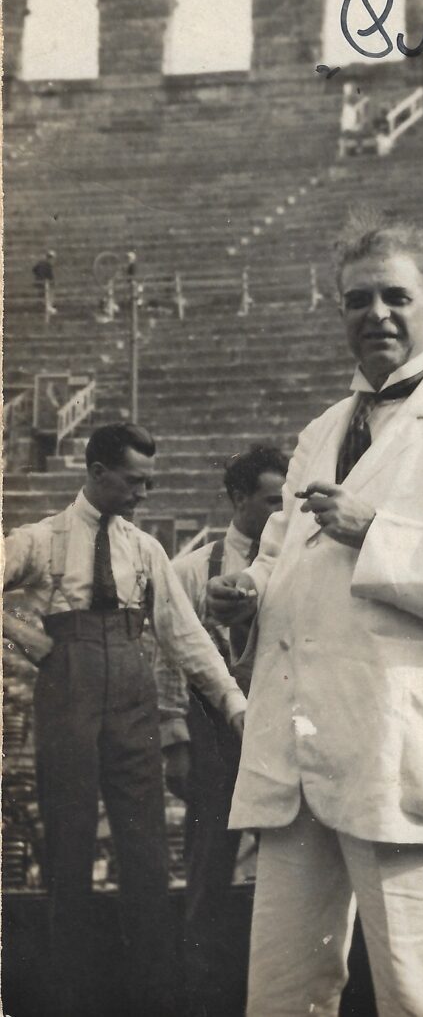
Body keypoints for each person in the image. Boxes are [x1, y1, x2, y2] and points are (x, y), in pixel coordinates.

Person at [207, 214, 423, 1017]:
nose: (377, 314)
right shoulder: (321, 430)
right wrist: (248, 592)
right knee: (282, 995)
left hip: (398, 759)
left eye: (396, 296)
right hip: (297, 760)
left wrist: (376, 532)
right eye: (358, 299)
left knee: (414, 993)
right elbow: (282, 559)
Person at [3, 422, 248, 1017]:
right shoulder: (41, 539)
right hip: (68, 690)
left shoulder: (144, 548)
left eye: (149, 482)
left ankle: (155, 996)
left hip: (133, 696)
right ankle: (70, 997)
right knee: (69, 842)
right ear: (97, 472)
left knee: (146, 851)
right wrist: (21, 635)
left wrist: (232, 703)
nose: (143, 493)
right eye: (134, 481)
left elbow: (184, 635)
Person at [162, 445, 288, 1017]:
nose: (283, 511)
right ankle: (202, 996)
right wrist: (176, 741)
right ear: (239, 499)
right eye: (271, 501)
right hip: (214, 737)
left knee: (287, 869)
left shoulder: (294, 567)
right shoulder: (191, 570)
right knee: (209, 869)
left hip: (281, 731)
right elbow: (168, 658)